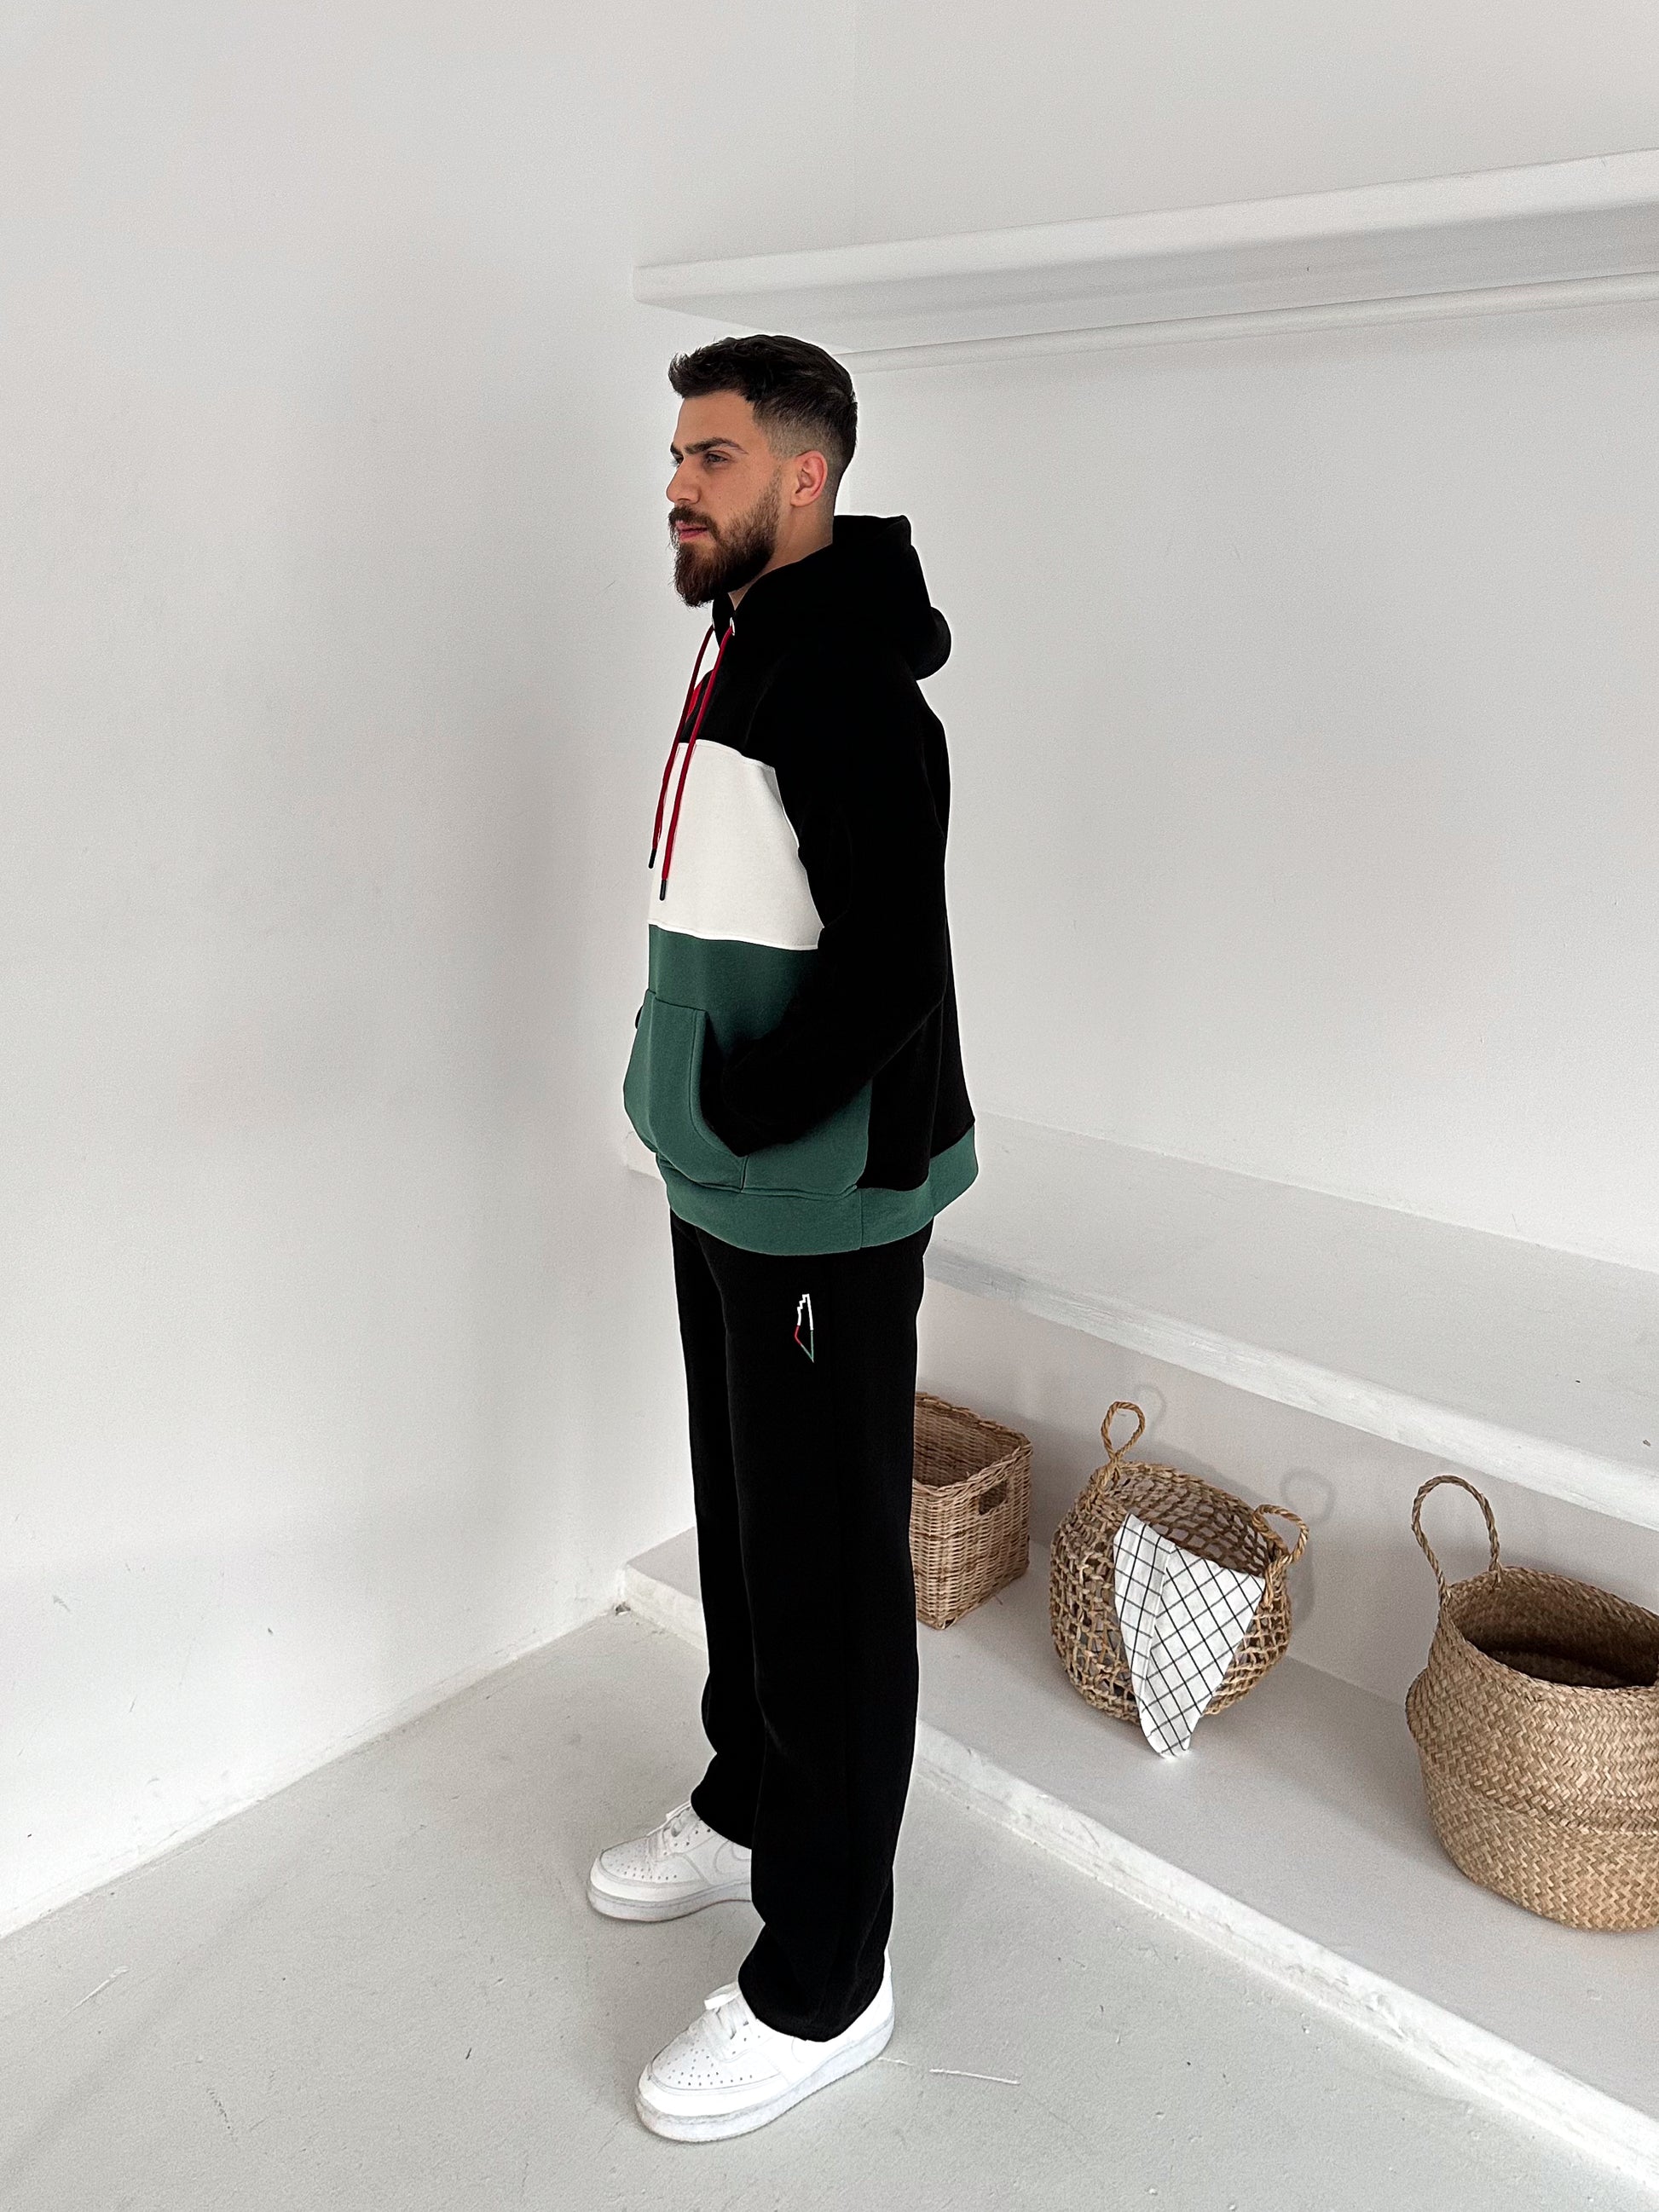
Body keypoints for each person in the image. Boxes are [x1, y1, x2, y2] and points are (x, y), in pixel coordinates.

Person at [595, 331, 978, 2143]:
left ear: (805, 478)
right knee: (749, 1529)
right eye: (679, 454)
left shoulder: (845, 685)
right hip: (733, 1187)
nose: (680, 484)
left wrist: (744, 1111)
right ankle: (750, 1797)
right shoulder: (746, 636)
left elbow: (892, 965)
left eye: (716, 458)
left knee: (825, 1581)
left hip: (817, 1199)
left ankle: (826, 1977)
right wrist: (695, 1111)